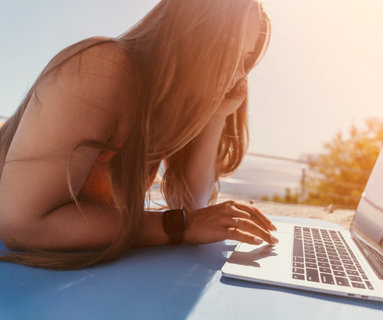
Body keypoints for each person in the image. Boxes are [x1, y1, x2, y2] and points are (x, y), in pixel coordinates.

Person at [0, 0, 278, 270]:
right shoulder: (104, 66)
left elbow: (192, 204)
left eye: (246, 58)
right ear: (190, 35)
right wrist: (180, 225)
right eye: (230, 51)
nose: (240, 74)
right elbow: (22, 225)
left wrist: (217, 115)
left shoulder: (163, 107)